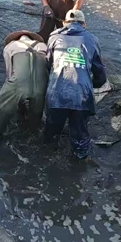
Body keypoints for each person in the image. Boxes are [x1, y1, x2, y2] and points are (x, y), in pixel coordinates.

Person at [44, 9, 106, 160]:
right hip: (82, 95)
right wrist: (96, 85)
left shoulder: (54, 37)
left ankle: (48, 157)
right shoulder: (92, 39)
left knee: (51, 134)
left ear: (65, 23)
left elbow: (47, 64)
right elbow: (100, 73)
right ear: (84, 24)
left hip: (56, 94)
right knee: (80, 136)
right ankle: (80, 162)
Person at [0, 31, 49, 138]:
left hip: (19, 84)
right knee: (36, 114)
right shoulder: (43, 46)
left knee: (0, 106)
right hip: (42, 85)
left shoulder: (10, 47)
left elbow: (9, 74)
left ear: (16, 39)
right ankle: (33, 132)